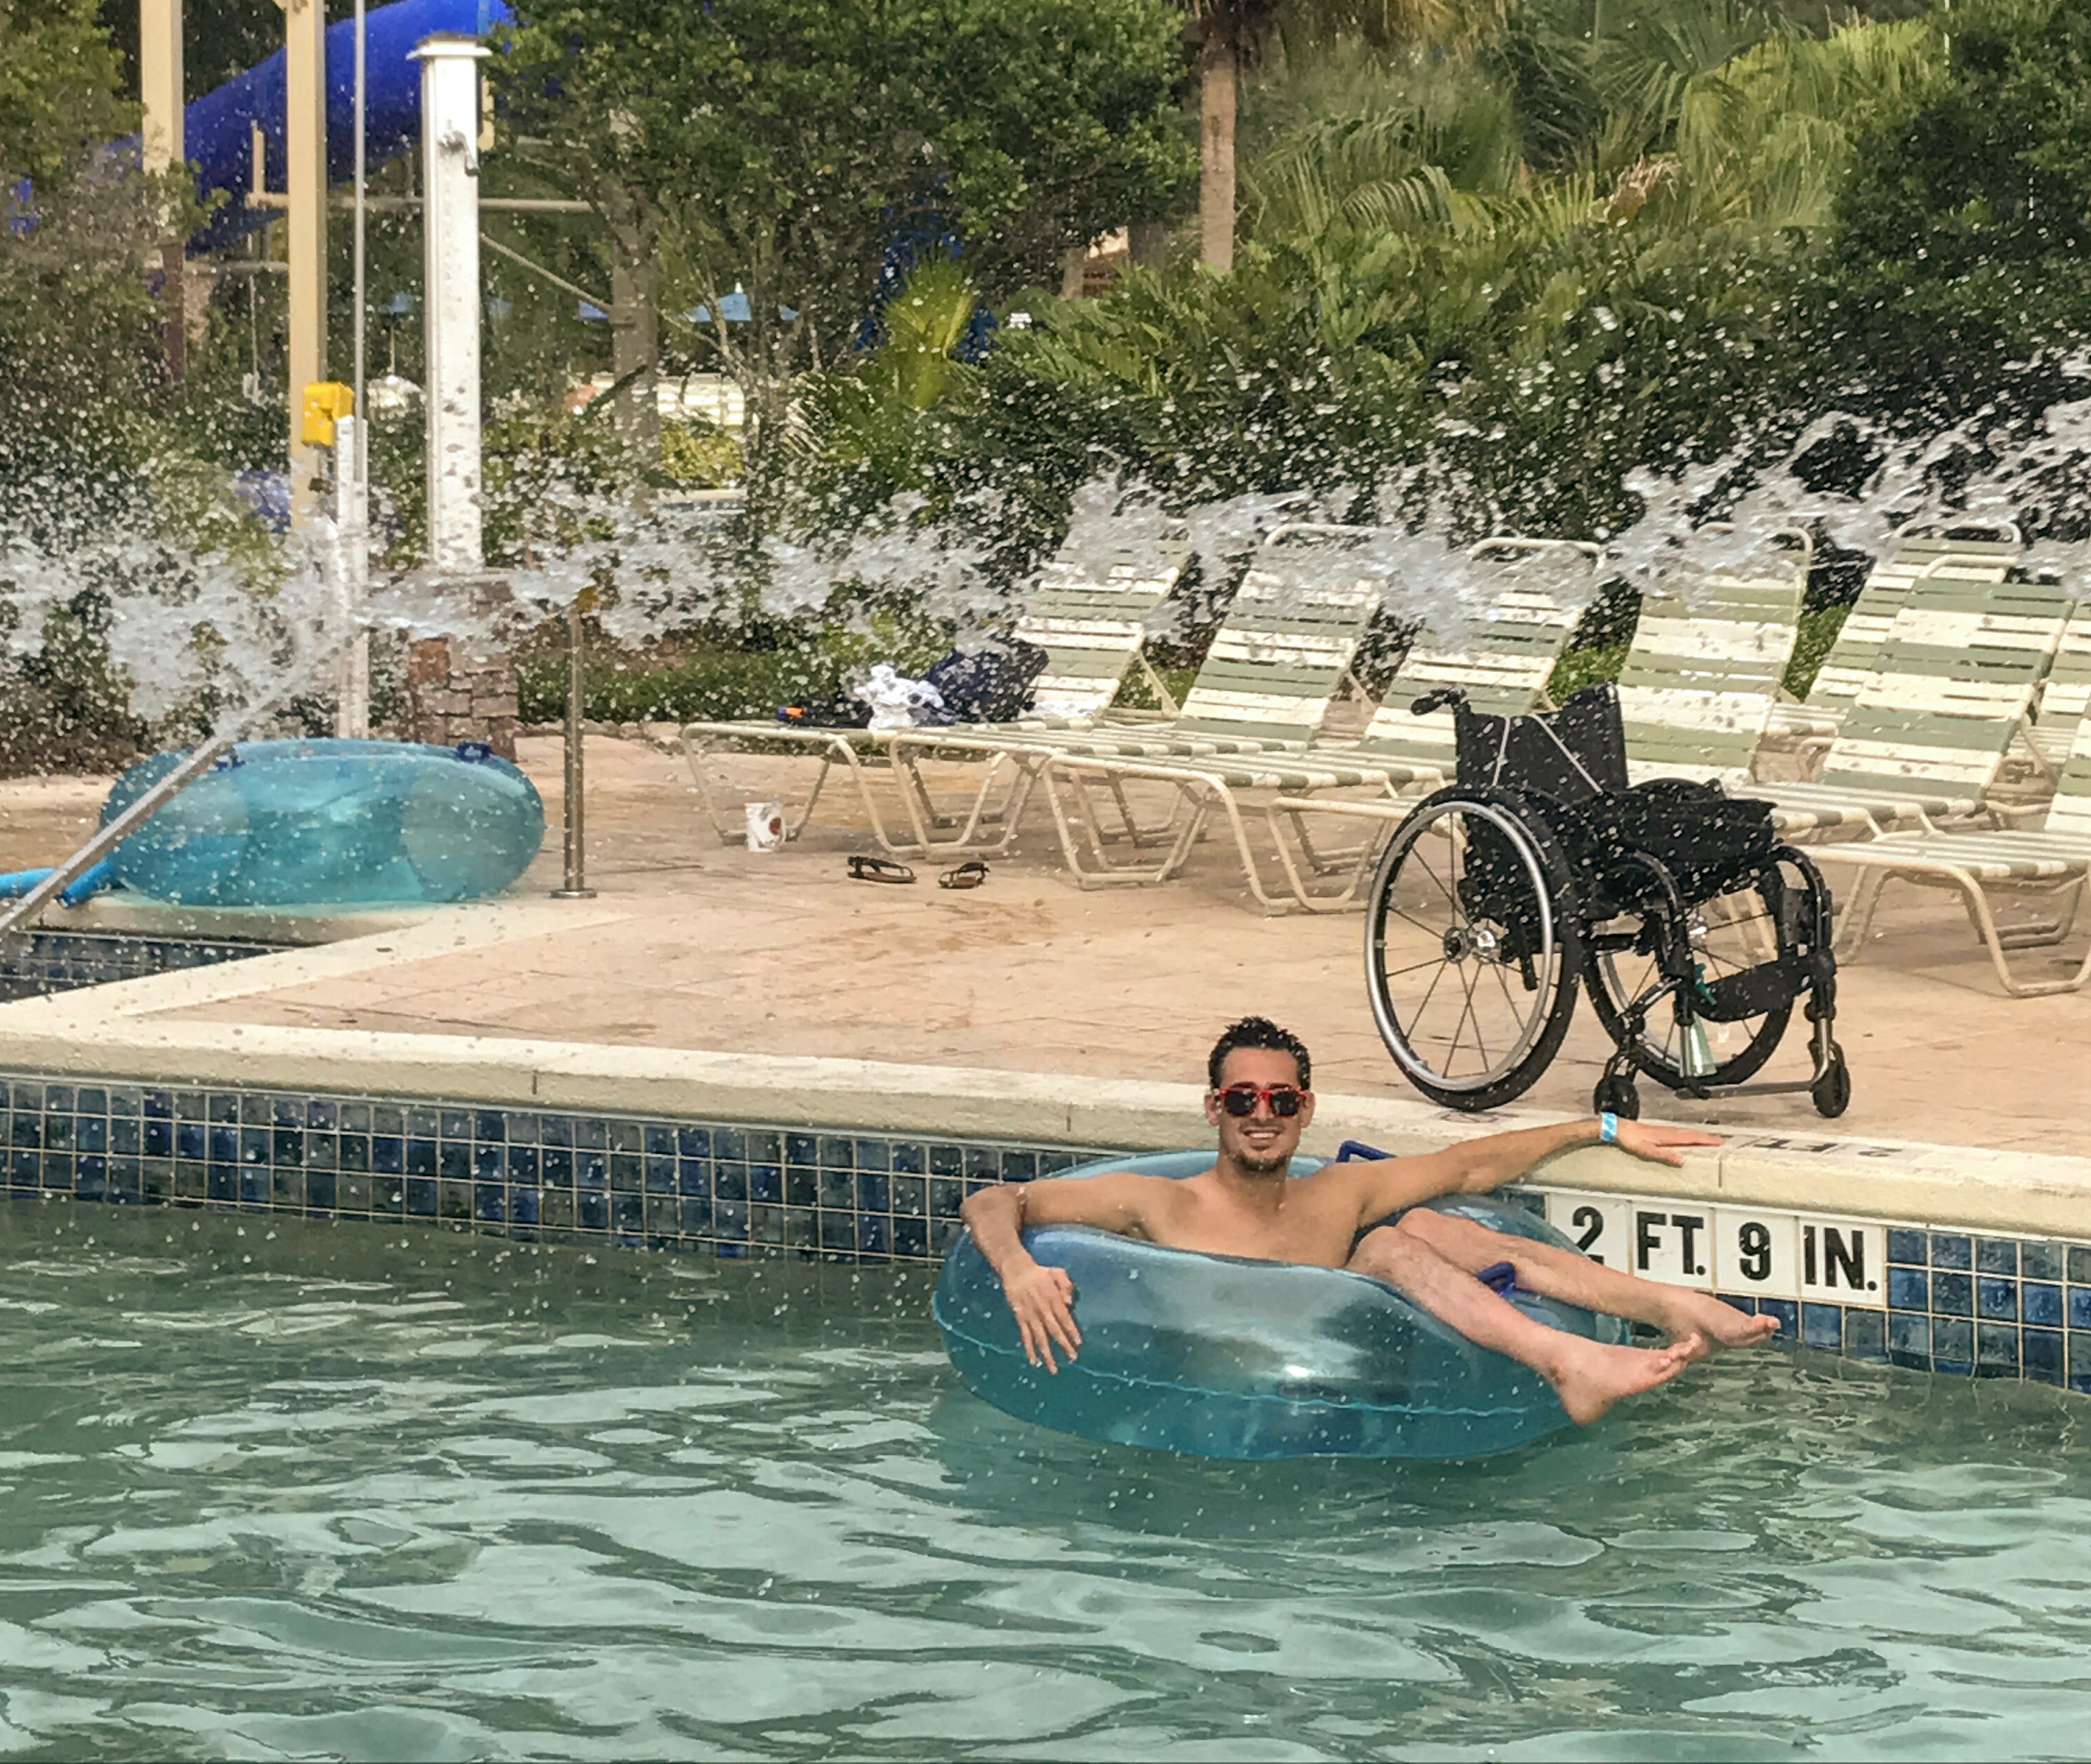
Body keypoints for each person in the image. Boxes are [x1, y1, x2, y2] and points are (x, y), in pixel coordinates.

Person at [959, 1015, 1779, 1425]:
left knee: (1429, 1229)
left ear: (1306, 1108)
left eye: (1281, 1100)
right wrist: (1018, 1268)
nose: (1262, 1115)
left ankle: (1670, 1306)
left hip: (1347, 1393)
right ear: (1214, 1107)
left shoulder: (1336, 1194)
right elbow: (996, 1201)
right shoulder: (1159, 1202)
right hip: (1229, 1411)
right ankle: (1568, 1360)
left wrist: (1599, 1127)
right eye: (1242, 1098)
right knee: (1389, 1243)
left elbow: (1466, 1168)